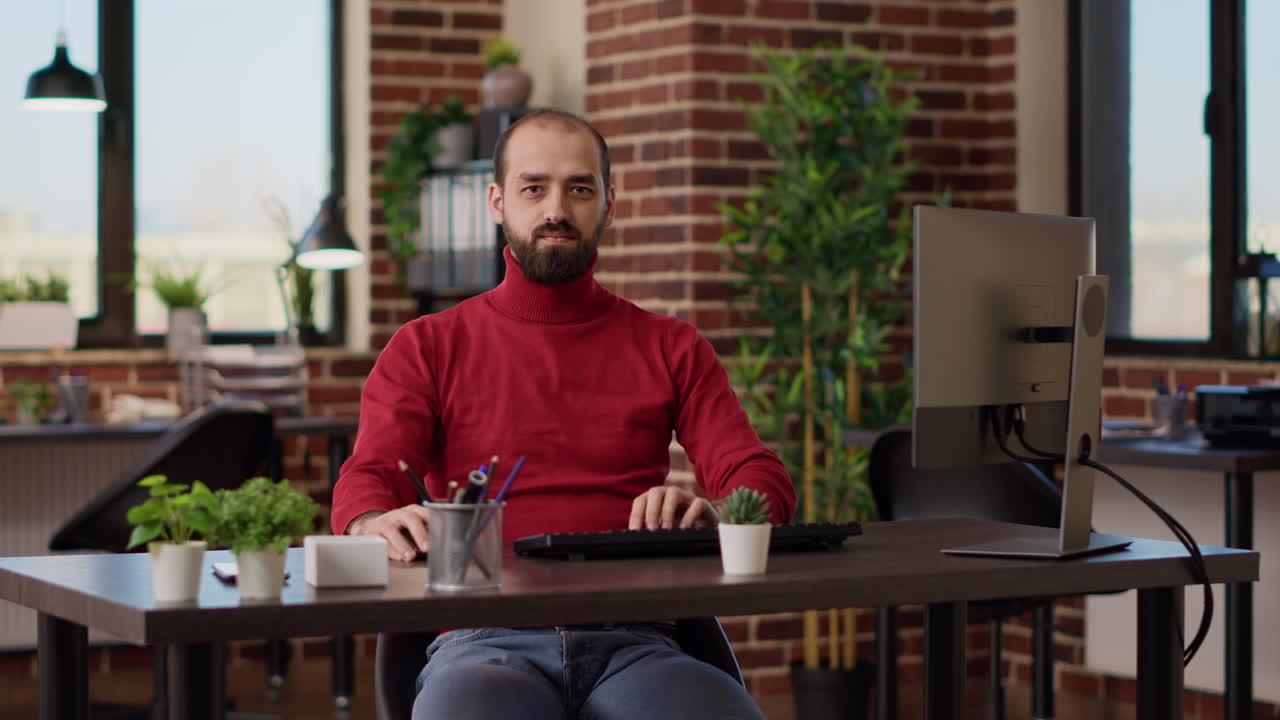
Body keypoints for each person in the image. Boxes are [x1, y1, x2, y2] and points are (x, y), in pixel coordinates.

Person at [332, 109, 796, 720]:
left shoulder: (672, 345)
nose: (556, 209)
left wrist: (717, 514)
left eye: (579, 188)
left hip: (640, 642)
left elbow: (760, 480)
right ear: (497, 201)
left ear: (609, 204)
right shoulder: (426, 346)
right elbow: (366, 478)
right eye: (534, 188)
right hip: (480, 641)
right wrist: (371, 520)